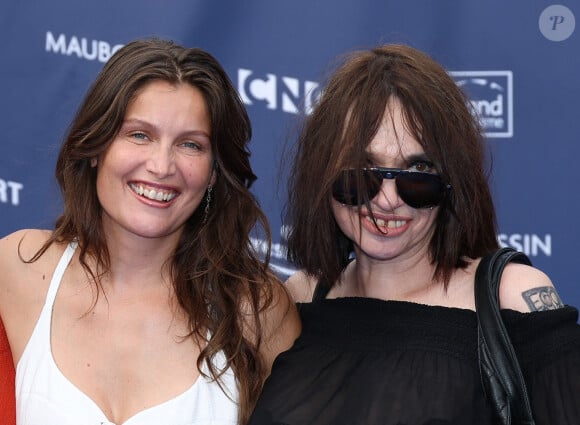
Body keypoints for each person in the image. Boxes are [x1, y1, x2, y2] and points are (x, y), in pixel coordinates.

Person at [248, 44, 580, 425]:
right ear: (321, 177)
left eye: (417, 174)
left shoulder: (512, 295)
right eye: (361, 172)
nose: (387, 199)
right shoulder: (299, 298)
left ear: (452, 184)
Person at [0, 38, 300, 425]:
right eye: (139, 134)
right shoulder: (21, 268)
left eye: (190, 144)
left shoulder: (255, 310)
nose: (161, 165)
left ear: (213, 173)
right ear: (96, 146)